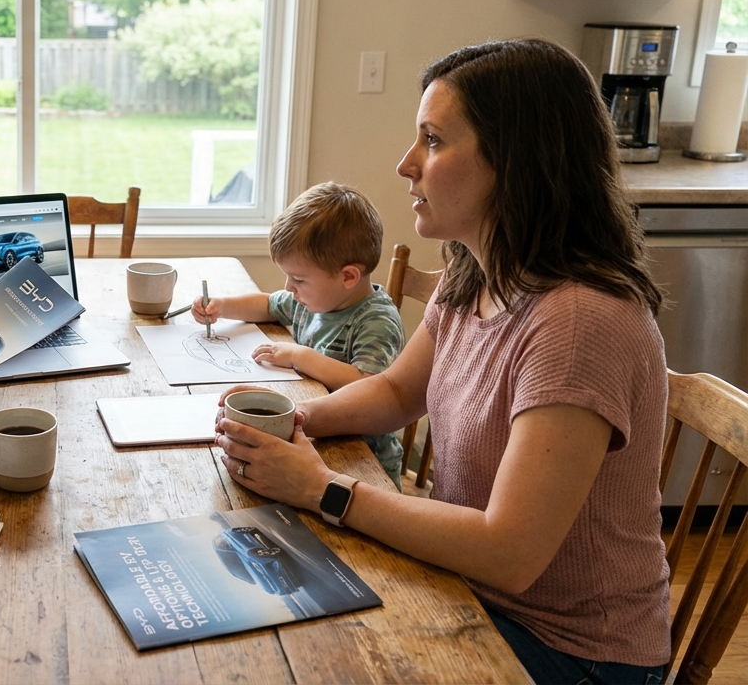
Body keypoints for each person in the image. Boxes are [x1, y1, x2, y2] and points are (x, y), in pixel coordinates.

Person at [214, 38, 670, 685]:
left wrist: (321, 488)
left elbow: (510, 553)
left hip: (570, 650)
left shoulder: (579, 322)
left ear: (515, 162)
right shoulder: (475, 271)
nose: (406, 165)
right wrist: (293, 423)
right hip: (471, 587)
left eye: (431, 140)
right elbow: (397, 393)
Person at [191, 182, 405, 487]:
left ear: (348, 277)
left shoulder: (376, 321)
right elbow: (267, 303)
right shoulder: (314, 299)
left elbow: (370, 389)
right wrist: (222, 306)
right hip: (314, 439)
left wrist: (302, 356)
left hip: (362, 462)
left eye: (299, 279)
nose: (290, 288)